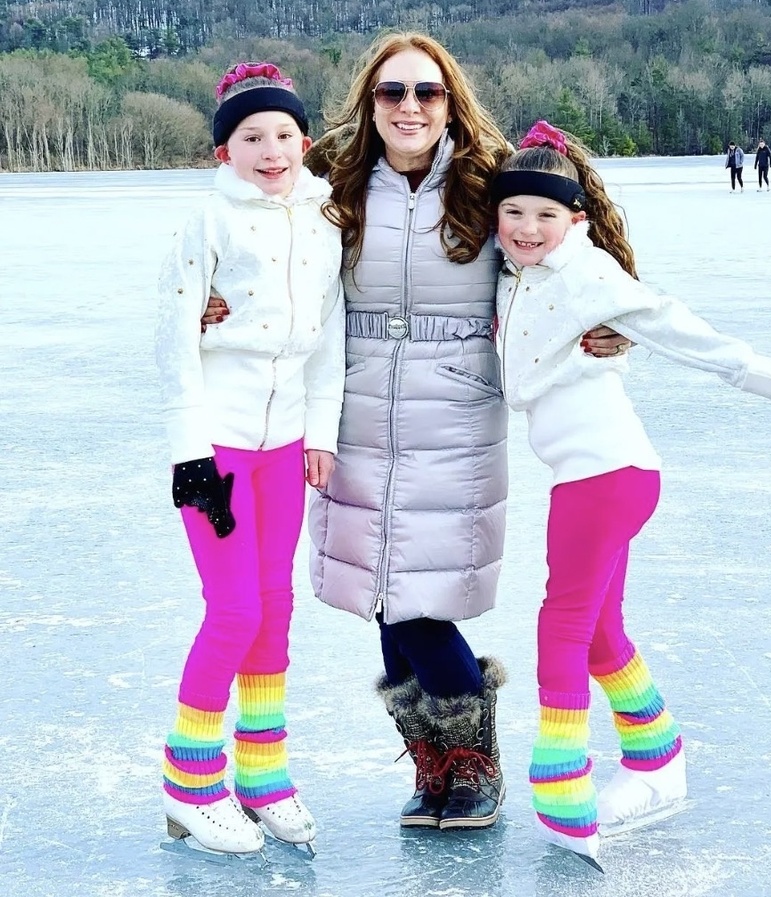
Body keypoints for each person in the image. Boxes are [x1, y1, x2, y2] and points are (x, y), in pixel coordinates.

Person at [200, 32, 631, 834]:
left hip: (454, 403)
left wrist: (613, 320)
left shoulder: (484, 177)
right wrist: (215, 303)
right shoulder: (332, 180)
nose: (409, 107)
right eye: (393, 92)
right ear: (371, 101)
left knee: (418, 597)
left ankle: (473, 762)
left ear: (448, 101)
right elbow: (258, 238)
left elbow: (573, 233)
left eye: (426, 93)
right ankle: (434, 765)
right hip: (353, 404)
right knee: (380, 591)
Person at [490, 120, 771, 866]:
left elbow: (673, 325)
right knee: (601, 631)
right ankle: (654, 749)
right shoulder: (511, 265)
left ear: (575, 219)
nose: (526, 227)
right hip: (599, 472)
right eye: (513, 211)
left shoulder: (588, 273)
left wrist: (770, 376)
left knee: (563, 625)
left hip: (604, 475)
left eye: (546, 214)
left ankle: (562, 782)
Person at [154, 62, 345, 856]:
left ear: (304, 140)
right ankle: (190, 782)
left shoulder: (326, 218)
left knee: (274, 606)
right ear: (222, 151)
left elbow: (328, 340)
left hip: (287, 448)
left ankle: (262, 771)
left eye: (283, 135)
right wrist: (189, 453)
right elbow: (173, 343)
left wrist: (323, 433)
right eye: (250, 136)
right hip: (219, 450)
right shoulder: (208, 221)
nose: (271, 150)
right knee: (233, 609)